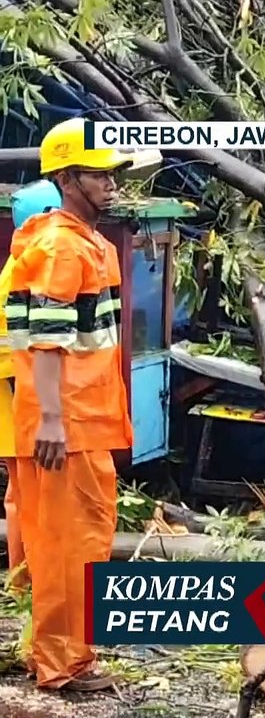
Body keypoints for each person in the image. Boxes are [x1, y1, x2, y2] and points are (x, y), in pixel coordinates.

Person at [6, 117, 135, 692]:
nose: (110, 185)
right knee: (70, 545)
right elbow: (47, 339)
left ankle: (52, 652)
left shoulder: (71, 241)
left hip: (77, 416)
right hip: (69, 421)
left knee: (66, 536)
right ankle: (61, 664)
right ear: (67, 177)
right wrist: (54, 420)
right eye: (99, 175)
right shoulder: (62, 246)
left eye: (112, 175)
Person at [1, 179, 63, 599]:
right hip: (19, 393)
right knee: (32, 496)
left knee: (19, 492)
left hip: (12, 392)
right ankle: (31, 584)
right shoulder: (37, 265)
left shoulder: (16, 261)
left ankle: (23, 581)